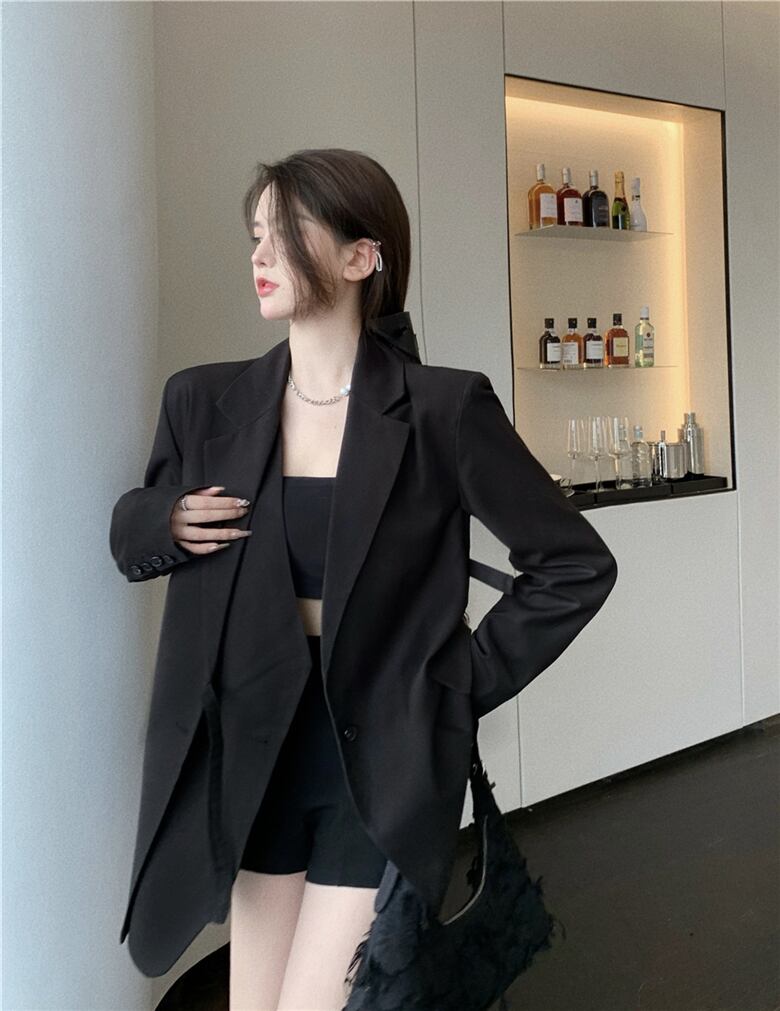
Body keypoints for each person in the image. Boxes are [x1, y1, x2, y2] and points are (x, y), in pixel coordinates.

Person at [110, 147, 618, 1006]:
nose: (261, 253)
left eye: (286, 232)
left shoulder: (441, 408)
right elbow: (131, 535)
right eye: (256, 234)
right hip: (254, 753)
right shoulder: (203, 402)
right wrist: (162, 520)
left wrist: (455, 681)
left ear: (360, 256)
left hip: (377, 759)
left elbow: (573, 563)